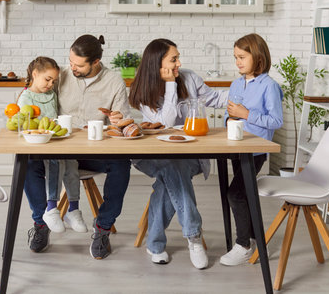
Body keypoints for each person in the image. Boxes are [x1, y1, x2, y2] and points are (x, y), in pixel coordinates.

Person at [25, 35, 132, 259]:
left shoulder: (114, 82)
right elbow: (35, 95)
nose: (72, 67)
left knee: (121, 164)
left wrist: (118, 119)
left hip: (93, 151)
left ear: (95, 62)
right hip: (59, 149)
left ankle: (102, 229)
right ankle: (42, 221)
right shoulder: (60, 75)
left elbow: (124, 122)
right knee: (28, 162)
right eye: (71, 61)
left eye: (79, 65)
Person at [128, 38, 228, 269]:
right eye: (173, 59)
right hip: (152, 156)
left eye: (178, 58)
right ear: (157, 63)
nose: (179, 63)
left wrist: (246, 90)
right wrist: (171, 84)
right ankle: (193, 238)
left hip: (188, 155)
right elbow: (166, 122)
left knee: (171, 175)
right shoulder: (141, 88)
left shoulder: (190, 77)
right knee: (172, 168)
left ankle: (155, 244)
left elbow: (215, 98)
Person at [219, 33, 283, 266]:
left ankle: (243, 244)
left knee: (235, 194)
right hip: (236, 147)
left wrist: (246, 114)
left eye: (242, 57)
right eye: (235, 57)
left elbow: (276, 121)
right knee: (244, 193)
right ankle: (254, 240)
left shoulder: (269, 86)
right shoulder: (236, 84)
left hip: (255, 150)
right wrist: (229, 120)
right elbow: (229, 113)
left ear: (258, 57)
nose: (238, 62)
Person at [17, 56, 87, 236]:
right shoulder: (25, 97)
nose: (50, 84)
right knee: (55, 163)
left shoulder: (51, 95)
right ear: (34, 74)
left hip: (54, 141)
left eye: (54, 81)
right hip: (38, 145)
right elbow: (24, 125)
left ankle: (74, 208)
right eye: (47, 79)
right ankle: (51, 208)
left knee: (71, 163)